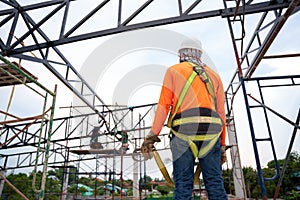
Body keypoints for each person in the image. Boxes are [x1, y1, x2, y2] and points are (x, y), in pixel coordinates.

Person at [141, 38, 228, 200]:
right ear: (200, 54)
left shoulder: (174, 71)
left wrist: (152, 136)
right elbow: (221, 113)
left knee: (183, 184)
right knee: (215, 183)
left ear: (181, 54)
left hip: (183, 131)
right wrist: (222, 145)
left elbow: (163, 105)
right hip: (211, 132)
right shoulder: (214, 76)